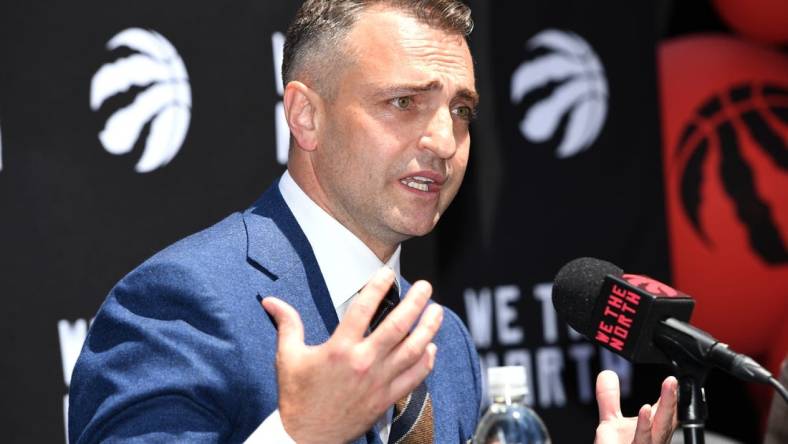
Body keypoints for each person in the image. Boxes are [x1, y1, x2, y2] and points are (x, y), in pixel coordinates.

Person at [68, 1, 678, 443]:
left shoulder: (446, 343)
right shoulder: (179, 303)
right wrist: (299, 435)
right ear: (305, 116)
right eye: (404, 103)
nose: (445, 140)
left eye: (461, 110)